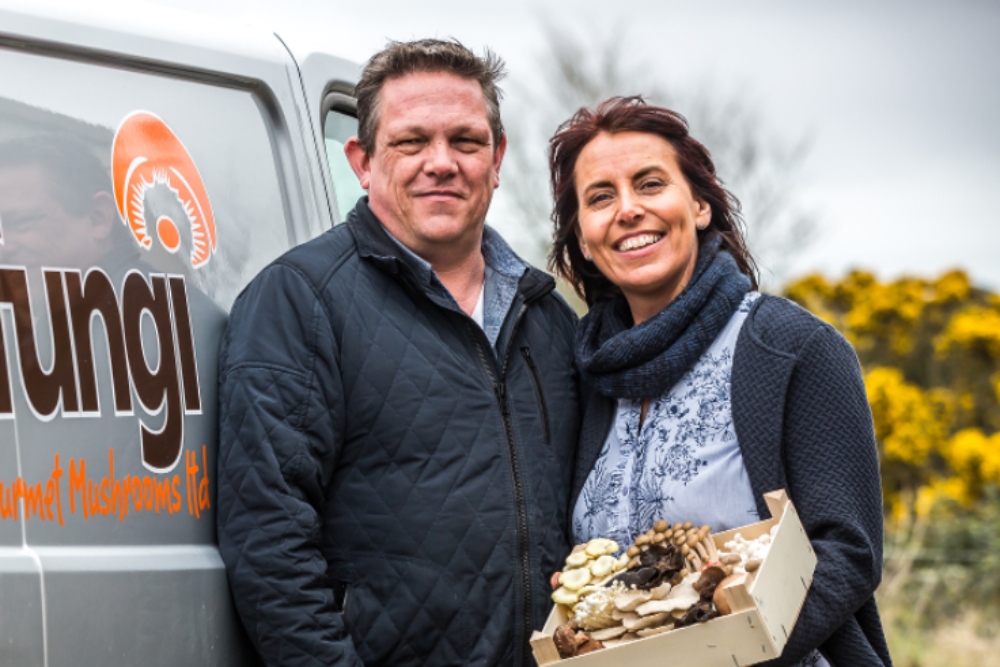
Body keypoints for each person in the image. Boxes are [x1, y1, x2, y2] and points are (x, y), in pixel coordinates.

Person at [216, 39, 580, 667]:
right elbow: (269, 541)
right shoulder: (300, 301)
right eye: (411, 142)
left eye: (465, 141)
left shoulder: (548, 317)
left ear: (497, 159)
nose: (441, 163)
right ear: (361, 160)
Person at [548, 97, 892, 666]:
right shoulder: (588, 372)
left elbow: (848, 553)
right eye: (601, 197)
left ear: (701, 205)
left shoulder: (791, 348)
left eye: (650, 183)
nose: (628, 210)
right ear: (584, 239)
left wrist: (715, 654)